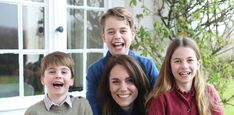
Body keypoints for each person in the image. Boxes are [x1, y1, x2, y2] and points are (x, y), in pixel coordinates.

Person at [86, 7, 159, 115]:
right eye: (111, 32)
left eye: (123, 31)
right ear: (103, 37)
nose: (117, 36)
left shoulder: (147, 66)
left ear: (132, 35)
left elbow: (159, 101)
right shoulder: (95, 71)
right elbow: (93, 108)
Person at [147, 37, 224, 115]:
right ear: (169, 65)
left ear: (198, 64)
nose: (184, 66)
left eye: (189, 60)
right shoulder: (160, 98)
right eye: (177, 61)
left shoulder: (209, 92)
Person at [25, 51, 93, 115]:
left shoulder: (82, 106)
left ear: (71, 80)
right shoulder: (33, 112)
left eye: (64, 72)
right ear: (43, 79)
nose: (58, 76)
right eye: (52, 72)